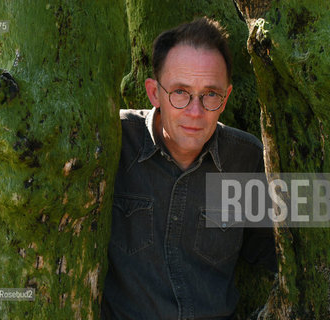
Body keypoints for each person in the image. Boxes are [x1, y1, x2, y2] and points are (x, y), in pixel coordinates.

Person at [101, 17, 275, 320]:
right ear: (155, 93)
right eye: (180, 92)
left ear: (225, 99)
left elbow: (278, 252)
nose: (195, 112)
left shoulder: (246, 161)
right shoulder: (115, 142)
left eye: (210, 94)